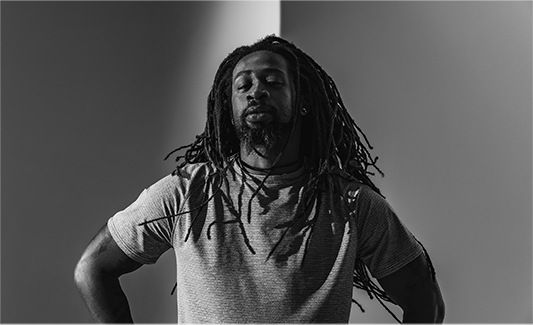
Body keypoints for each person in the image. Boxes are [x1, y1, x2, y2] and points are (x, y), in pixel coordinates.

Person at [74, 35, 445, 323]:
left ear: (301, 101)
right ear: (231, 107)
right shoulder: (188, 192)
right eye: (243, 85)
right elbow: (93, 268)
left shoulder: (351, 204)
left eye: (272, 81)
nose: (256, 91)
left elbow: (423, 299)